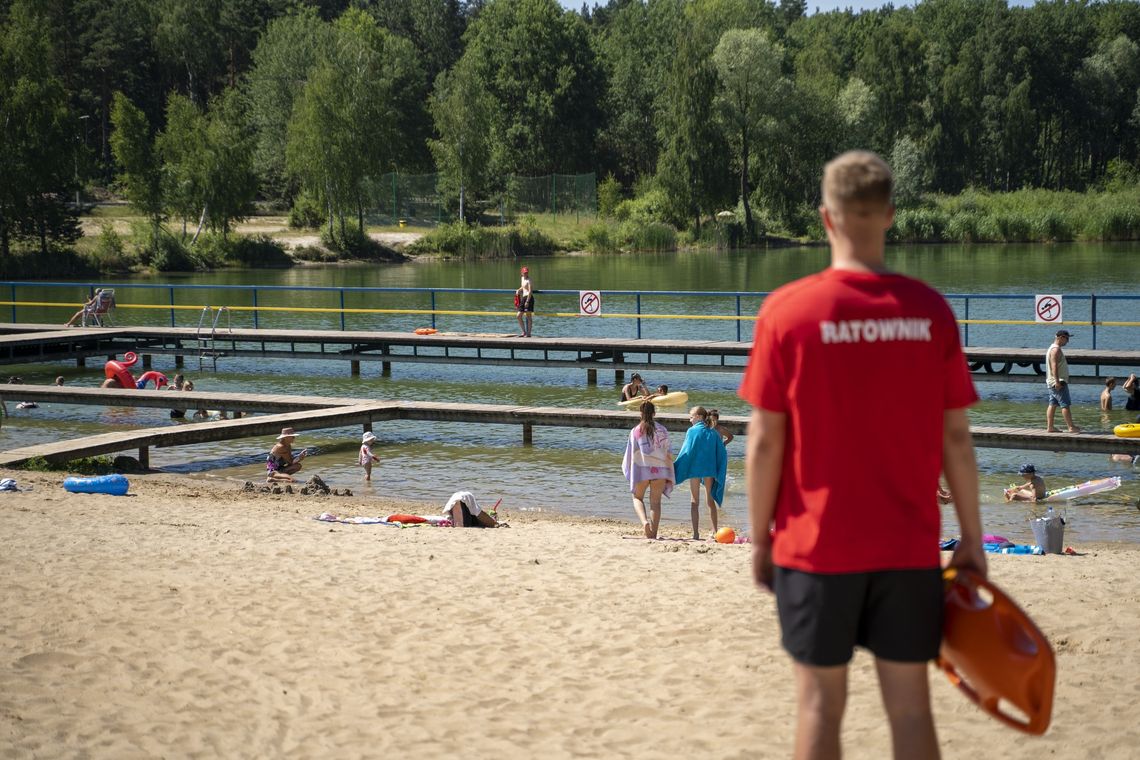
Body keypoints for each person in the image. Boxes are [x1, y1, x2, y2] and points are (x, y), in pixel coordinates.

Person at [739, 151, 986, 760]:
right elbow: (956, 437)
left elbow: (765, 441)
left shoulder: (787, 312)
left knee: (820, 708)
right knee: (909, 710)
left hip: (815, 548)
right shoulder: (929, 312)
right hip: (906, 548)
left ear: (826, 217)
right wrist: (974, 538)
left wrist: (760, 537)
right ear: (890, 216)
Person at [673, 406, 728, 540]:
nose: (689, 418)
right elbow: (721, 452)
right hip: (709, 469)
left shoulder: (691, 431)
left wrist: (675, 467)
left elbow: (686, 451)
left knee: (694, 501)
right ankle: (715, 532)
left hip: (694, 470)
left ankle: (696, 534)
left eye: (691, 416)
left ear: (698, 416)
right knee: (710, 500)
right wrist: (718, 469)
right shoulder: (713, 432)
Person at [621, 400, 675, 539]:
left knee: (637, 497)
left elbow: (631, 452)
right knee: (655, 502)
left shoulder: (636, 431)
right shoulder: (663, 429)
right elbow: (668, 451)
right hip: (660, 469)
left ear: (640, 413)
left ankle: (645, 522)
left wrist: (629, 468)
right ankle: (653, 534)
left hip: (642, 470)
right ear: (654, 413)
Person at [1045, 329, 1080, 433]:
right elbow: (1054, 366)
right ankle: (1071, 427)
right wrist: (1057, 382)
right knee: (1065, 404)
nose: (1068, 341)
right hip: (1058, 382)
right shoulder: (1056, 350)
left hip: (1051, 382)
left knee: (1052, 404)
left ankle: (1050, 427)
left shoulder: (1052, 348)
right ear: (1060, 338)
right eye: (1067, 338)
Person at [516, 266, 534, 337]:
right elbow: (523, 287)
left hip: (528, 298)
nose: (526, 274)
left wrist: (527, 301)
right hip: (523, 298)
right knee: (518, 316)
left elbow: (530, 291)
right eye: (524, 273)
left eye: (526, 272)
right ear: (522, 273)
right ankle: (524, 332)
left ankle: (528, 333)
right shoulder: (522, 278)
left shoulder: (529, 280)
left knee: (528, 316)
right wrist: (518, 290)